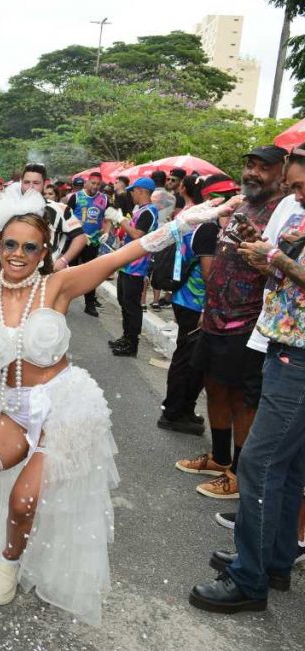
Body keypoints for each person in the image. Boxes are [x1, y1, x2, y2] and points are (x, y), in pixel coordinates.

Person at [0, 191, 233, 624]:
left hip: (65, 405)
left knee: (24, 499)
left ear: (44, 253)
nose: (18, 254)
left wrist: (184, 224)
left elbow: (126, 254)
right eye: (10, 244)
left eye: (29, 247)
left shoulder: (58, 285)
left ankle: (9, 560)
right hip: (13, 407)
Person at [189, 145, 305, 613]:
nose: (296, 196)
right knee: (290, 465)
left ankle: (248, 578)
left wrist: (275, 259)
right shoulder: (295, 213)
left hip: (298, 358)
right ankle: (273, 560)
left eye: (299, 186)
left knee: (258, 463)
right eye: (294, 187)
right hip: (281, 345)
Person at [175, 146, 288, 501]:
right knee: (214, 385)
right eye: (250, 165)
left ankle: (238, 473)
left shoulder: (282, 212)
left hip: (247, 322)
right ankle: (219, 456)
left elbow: (279, 267)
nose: (253, 173)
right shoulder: (242, 204)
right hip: (215, 316)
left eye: (263, 168)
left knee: (242, 396)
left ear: (282, 173)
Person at [156, 175, 235, 434]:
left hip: (191, 302)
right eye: (227, 194)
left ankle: (183, 409)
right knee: (188, 360)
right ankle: (174, 413)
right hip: (195, 304)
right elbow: (209, 274)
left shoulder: (207, 224)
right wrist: (208, 308)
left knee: (192, 359)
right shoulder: (208, 228)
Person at [109, 177, 159, 357]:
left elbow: (138, 235)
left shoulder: (149, 212)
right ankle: (125, 337)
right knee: (124, 302)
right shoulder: (141, 210)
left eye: (133, 190)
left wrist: (121, 220)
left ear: (142, 191)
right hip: (127, 264)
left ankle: (132, 344)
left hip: (137, 267)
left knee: (132, 306)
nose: (131, 194)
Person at [70, 171, 110, 316]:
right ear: (87, 182)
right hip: (75, 239)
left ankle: (90, 304)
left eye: (98, 184)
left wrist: (106, 232)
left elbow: (108, 218)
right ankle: (64, 299)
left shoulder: (104, 199)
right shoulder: (76, 197)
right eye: (93, 183)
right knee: (71, 271)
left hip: (93, 242)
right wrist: (77, 231)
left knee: (91, 273)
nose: (95, 186)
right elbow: (67, 217)